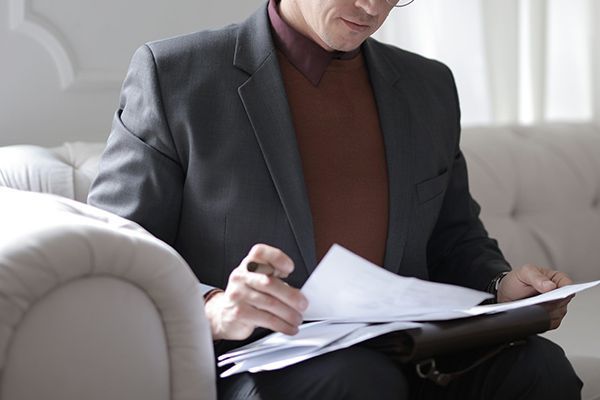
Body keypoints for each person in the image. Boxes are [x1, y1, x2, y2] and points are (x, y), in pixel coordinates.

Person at [88, 0, 583, 398]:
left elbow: (454, 238)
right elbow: (118, 257)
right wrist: (215, 308)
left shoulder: (429, 86)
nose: (373, 7)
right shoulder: (175, 75)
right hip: (263, 358)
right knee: (356, 382)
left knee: (539, 367)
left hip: (409, 347)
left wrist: (501, 286)